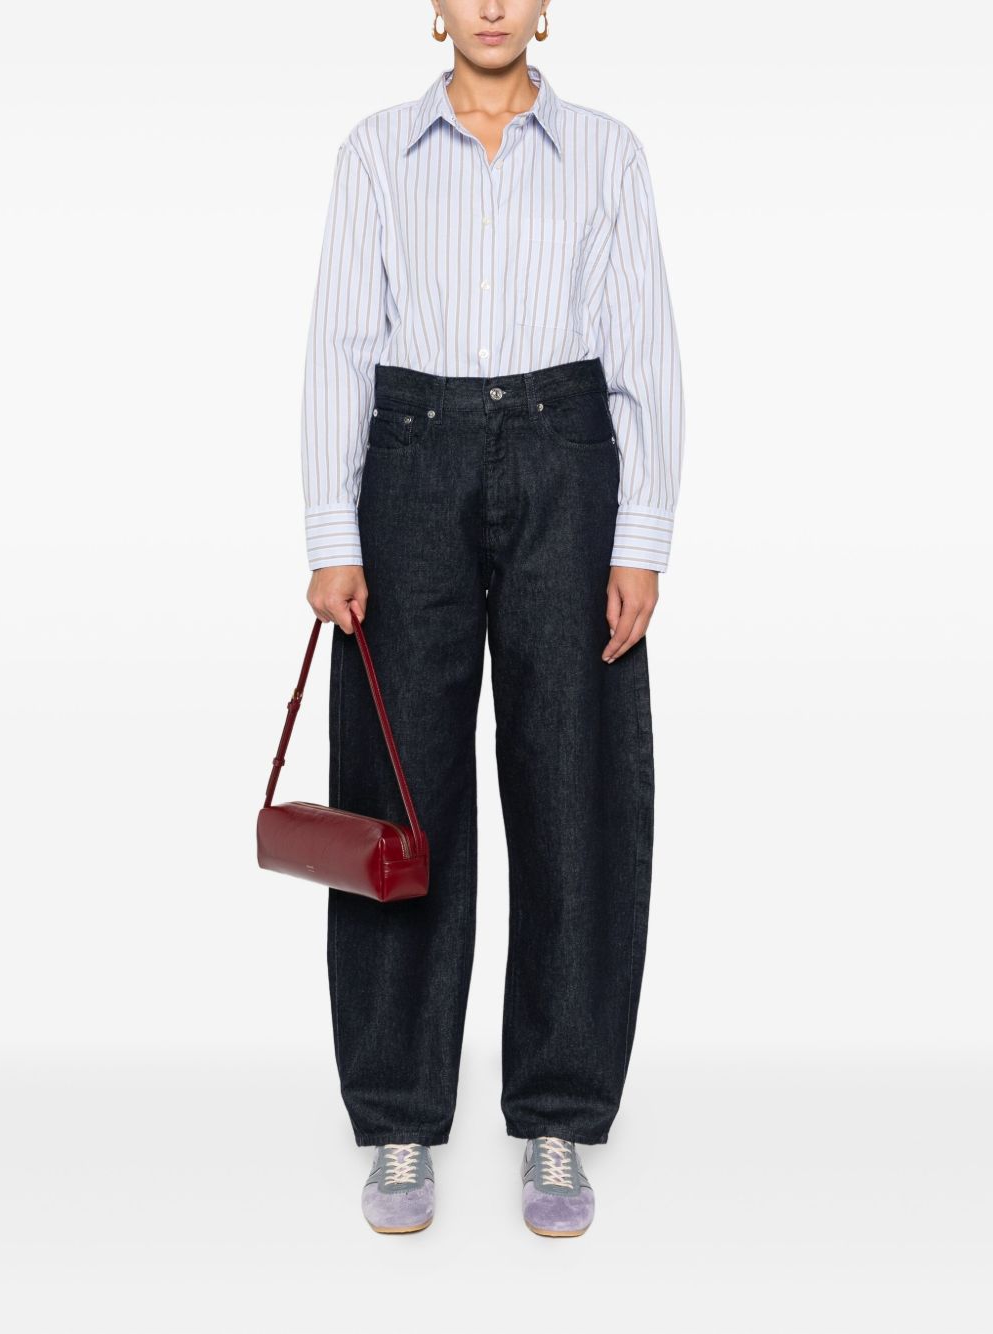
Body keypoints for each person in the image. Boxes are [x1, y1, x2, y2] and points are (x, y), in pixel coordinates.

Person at [300, 0, 684, 1237]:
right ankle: (398, 1112)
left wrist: (641, 536)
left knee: (573, 777)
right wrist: (330, 531)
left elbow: (641, 345)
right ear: (435, 7)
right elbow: (340, 343)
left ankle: (558, 1111)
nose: (491, 5)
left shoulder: (607, 153)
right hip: (409, 457)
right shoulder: (374, 150)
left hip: (567, 457)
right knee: (396, 794)